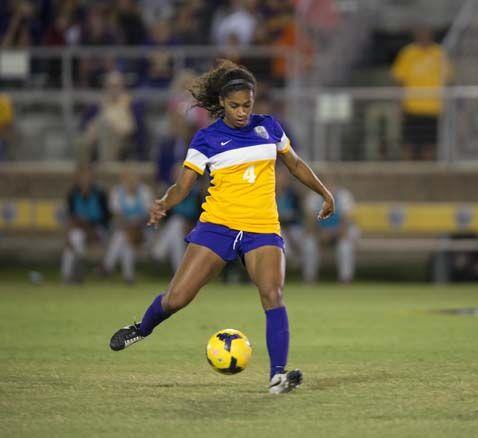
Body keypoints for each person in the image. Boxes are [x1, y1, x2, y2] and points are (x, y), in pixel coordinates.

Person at [109, 59, 335, 395]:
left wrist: (325, 193)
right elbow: (183, 185)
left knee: (273, 294)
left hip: (262, 226)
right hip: (218, 225)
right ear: (222, 104)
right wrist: (164, 203)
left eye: (247, 105)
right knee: (176, 299)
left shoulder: (269, 127)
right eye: (234, 106)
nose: (242, 112)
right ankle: (142, 327)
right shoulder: (207, 138)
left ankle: (277, 376)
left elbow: (295, 164)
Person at [391, 28, 454, 160]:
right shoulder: (408, 53)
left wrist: (449, 103)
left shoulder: (439, 53)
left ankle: (427, 175)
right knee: (408, 144)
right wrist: (398, 104)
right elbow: (399, 80)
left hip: (433, 108)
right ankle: (407, 173)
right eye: (421, 32)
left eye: (426, 32)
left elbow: (448, 80)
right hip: (412, 108)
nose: (423, 34)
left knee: (430, 145)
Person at [102, 168, 153, 284]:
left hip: (143, 231)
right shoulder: (116, 192)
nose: (131, 181)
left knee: (124, 236)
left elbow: (148, 216)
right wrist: (129, 226)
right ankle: (128, 276)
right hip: (123, 228)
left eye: (134, 178)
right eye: (128, 178)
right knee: (124, 237)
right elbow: (116, 216)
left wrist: (135, 225)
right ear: (123, 179)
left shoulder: (145, 191)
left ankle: (107, 266)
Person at [61, 164, 110, 283]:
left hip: (98, 230)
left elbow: (106, 218)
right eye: (82, 176)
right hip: (80, 229)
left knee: (76, 237)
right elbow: (71, 218)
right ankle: (68, 276)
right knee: (74, 239)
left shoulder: (100, 193)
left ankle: (77, 269)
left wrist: (90, 227)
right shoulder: (72, 194)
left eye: (87, 176)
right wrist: (68, 234)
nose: (84, 179)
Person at [303, 180, 357, 284]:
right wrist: (320, 235)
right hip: (319, 234)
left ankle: (345, 280)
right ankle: (309, 279)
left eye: (331, 185)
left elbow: (345, 225)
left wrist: (330, 234)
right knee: (309, 244)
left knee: (345, 247)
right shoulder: (313, 197)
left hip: (338, 234)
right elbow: (309, 224)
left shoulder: (344, 197)